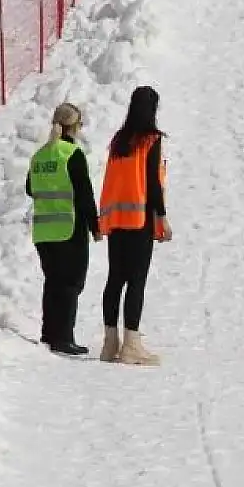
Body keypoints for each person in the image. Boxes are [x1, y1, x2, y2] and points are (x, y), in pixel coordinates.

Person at [97, 86, 172, 366]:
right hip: (139, 220)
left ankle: (109, 343)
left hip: (117, 221)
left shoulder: (119, 140)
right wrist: (161, 216)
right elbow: (152, 182)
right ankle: (131, 344)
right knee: (137, 280)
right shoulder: (150, 140)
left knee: (115, 278)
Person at [25, 103, 100, 356]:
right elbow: (84, 194)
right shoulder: (71, 154)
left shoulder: (40, 155)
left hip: (43, 232)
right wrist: (95, 226)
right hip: (69, 228)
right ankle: (64, 338)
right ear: (74, 126)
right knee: (70, 284)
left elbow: (29, 188)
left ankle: (49, 333)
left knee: (53, 283)